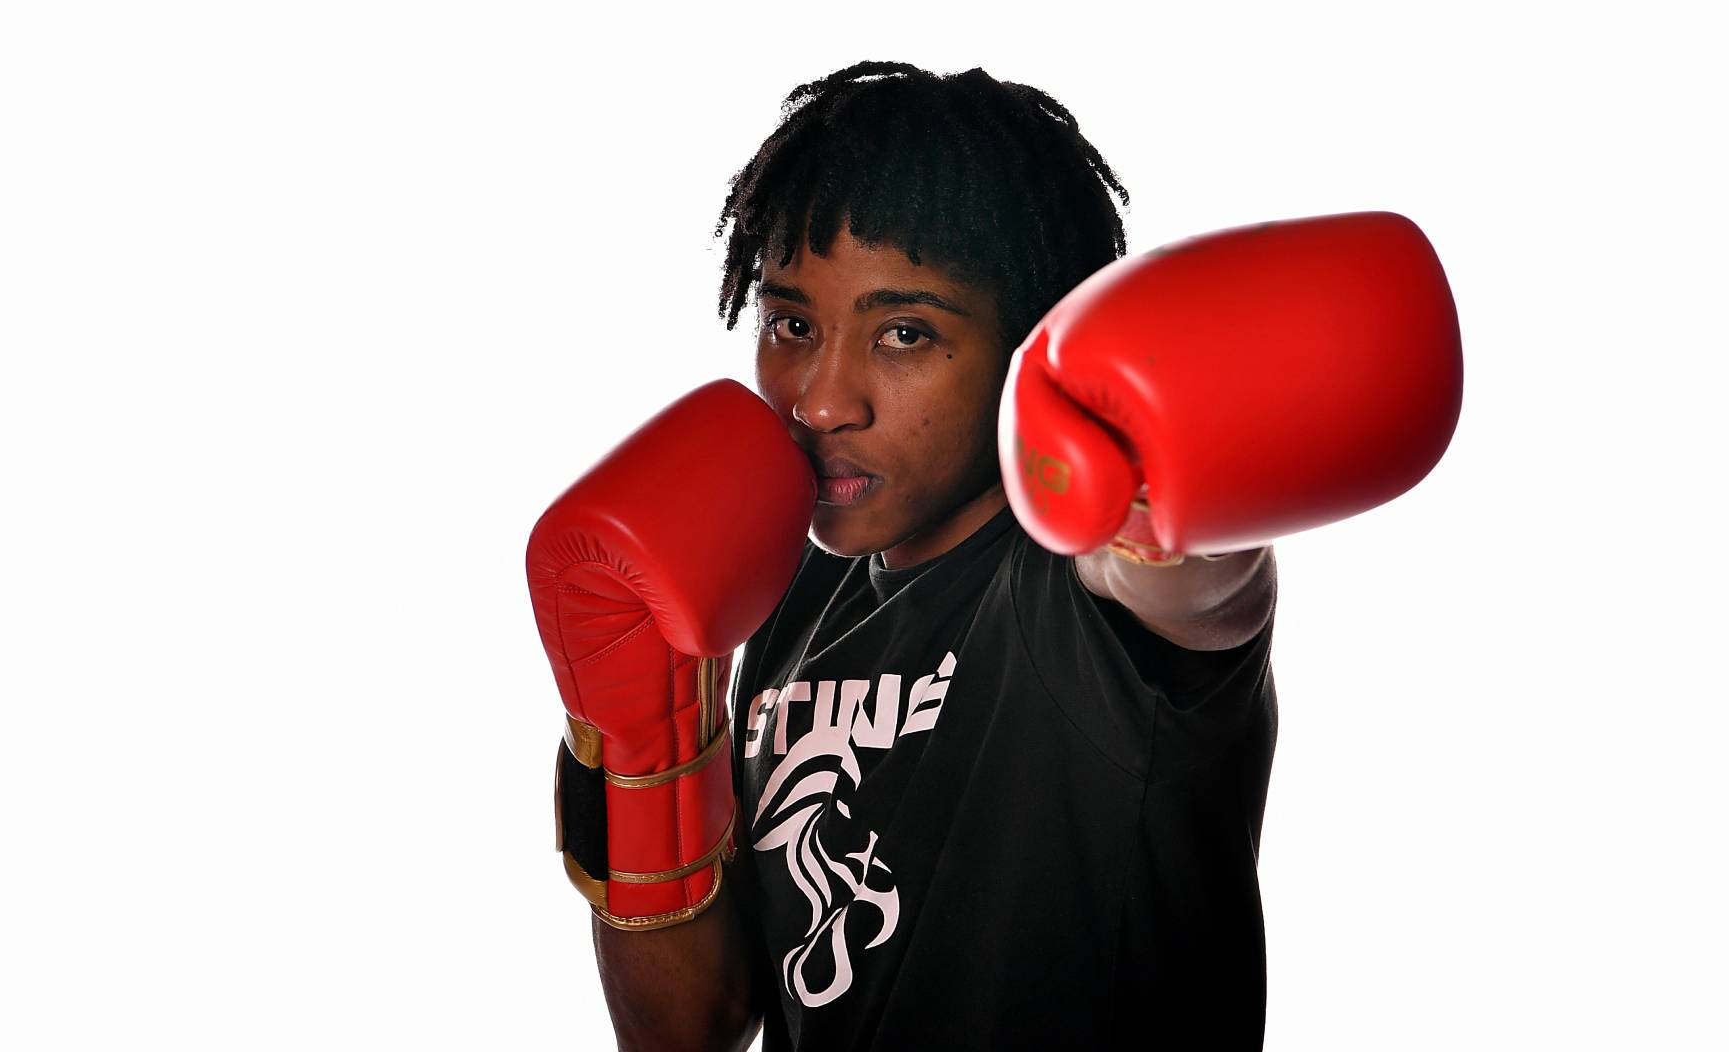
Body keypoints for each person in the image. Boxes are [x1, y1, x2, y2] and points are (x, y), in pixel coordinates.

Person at [527, 60, 1459, 1051]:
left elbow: (1194, 591)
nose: (821, 400)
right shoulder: (793, 597)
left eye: (905, 334)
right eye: (793, 323)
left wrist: (1153, 487)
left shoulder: (1084, 596)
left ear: (1031, 346)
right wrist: (650, 743)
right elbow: (694, 1030)